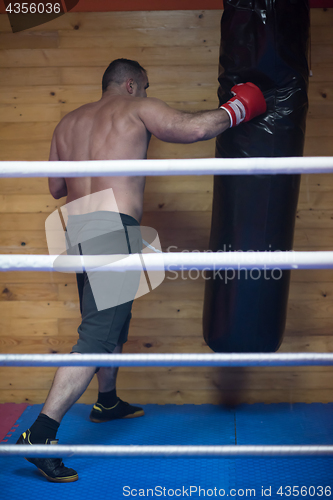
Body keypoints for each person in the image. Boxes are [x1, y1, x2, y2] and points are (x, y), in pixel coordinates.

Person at [16, 58, 267, 483]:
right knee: (96, 336)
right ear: (131, 85)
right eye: (146, 87)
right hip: (114, 226)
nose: (147, 93)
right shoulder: (135, 108)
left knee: (111, 323)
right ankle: (41, 435)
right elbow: (193, 129)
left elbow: (56, 187)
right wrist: (238, 108)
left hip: (79, 226)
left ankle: (107, 401)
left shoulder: (69, 122)